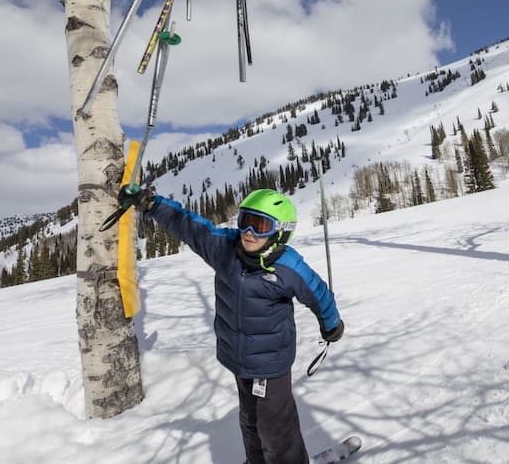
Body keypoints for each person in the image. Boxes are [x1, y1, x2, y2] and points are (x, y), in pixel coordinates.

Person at [119, 185, 344, 464]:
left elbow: (319, 293)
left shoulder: (290, 267)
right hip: (237, 358)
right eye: (245, 221)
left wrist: (331, 325)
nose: (249, 233)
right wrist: (151, 204)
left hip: (271, 363)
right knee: (249, 422)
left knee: (277, 429)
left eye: (260, 226)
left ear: (280, 232)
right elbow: (189, 225)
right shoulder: (225, 248)